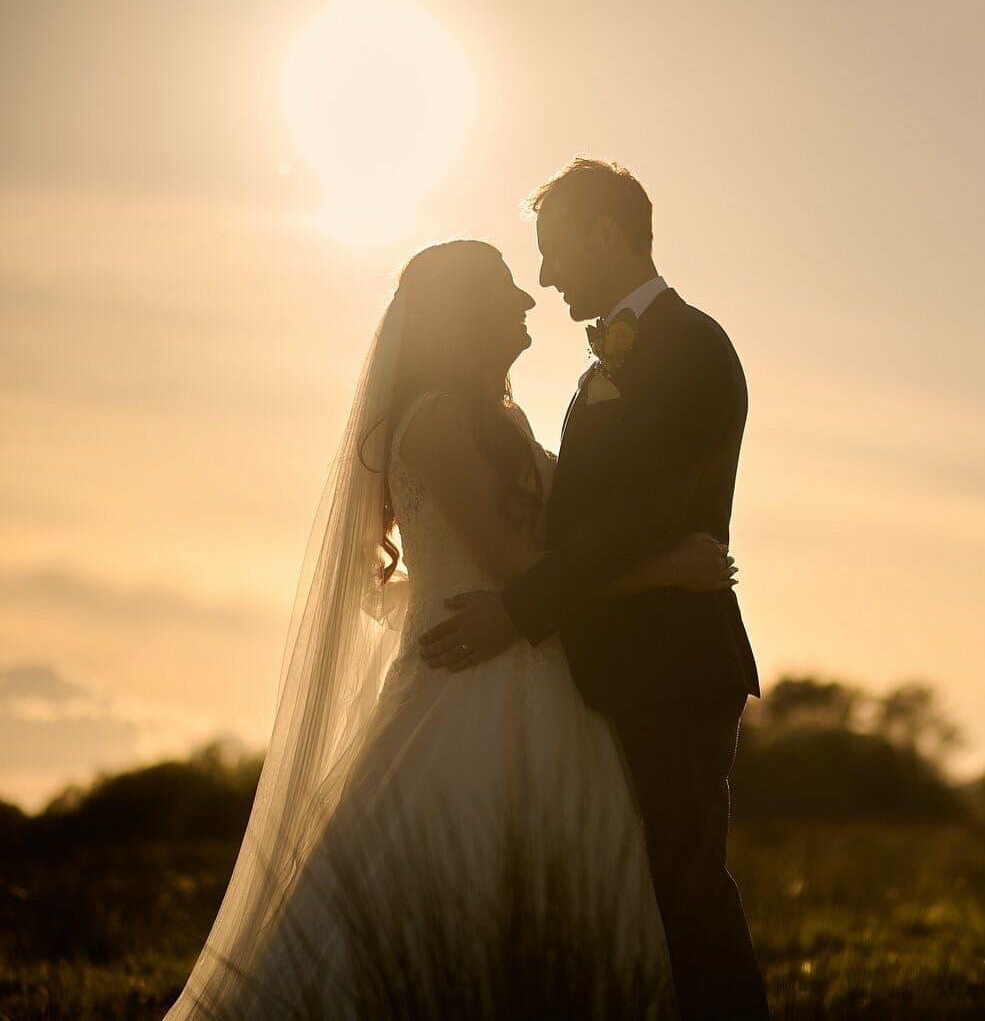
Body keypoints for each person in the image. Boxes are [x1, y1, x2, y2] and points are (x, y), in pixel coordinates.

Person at [167, 240, 736, 1019]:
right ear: (466, 312)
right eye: (508, 286)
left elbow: (565, 546)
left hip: (544, 678)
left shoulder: (501, 417)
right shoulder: (433, 420)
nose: (531, 298)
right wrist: (665, 570)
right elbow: (518, 566)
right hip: (465, 684)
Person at [420, 159, 769, 1018]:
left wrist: (517, 608)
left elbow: (637, 519)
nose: (544, 276)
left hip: (676, 666)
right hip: (620, 664)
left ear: (606, 236)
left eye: (552, 250)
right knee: (644, 897)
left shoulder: (691, 348)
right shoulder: (606, 365)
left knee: (685, 890)